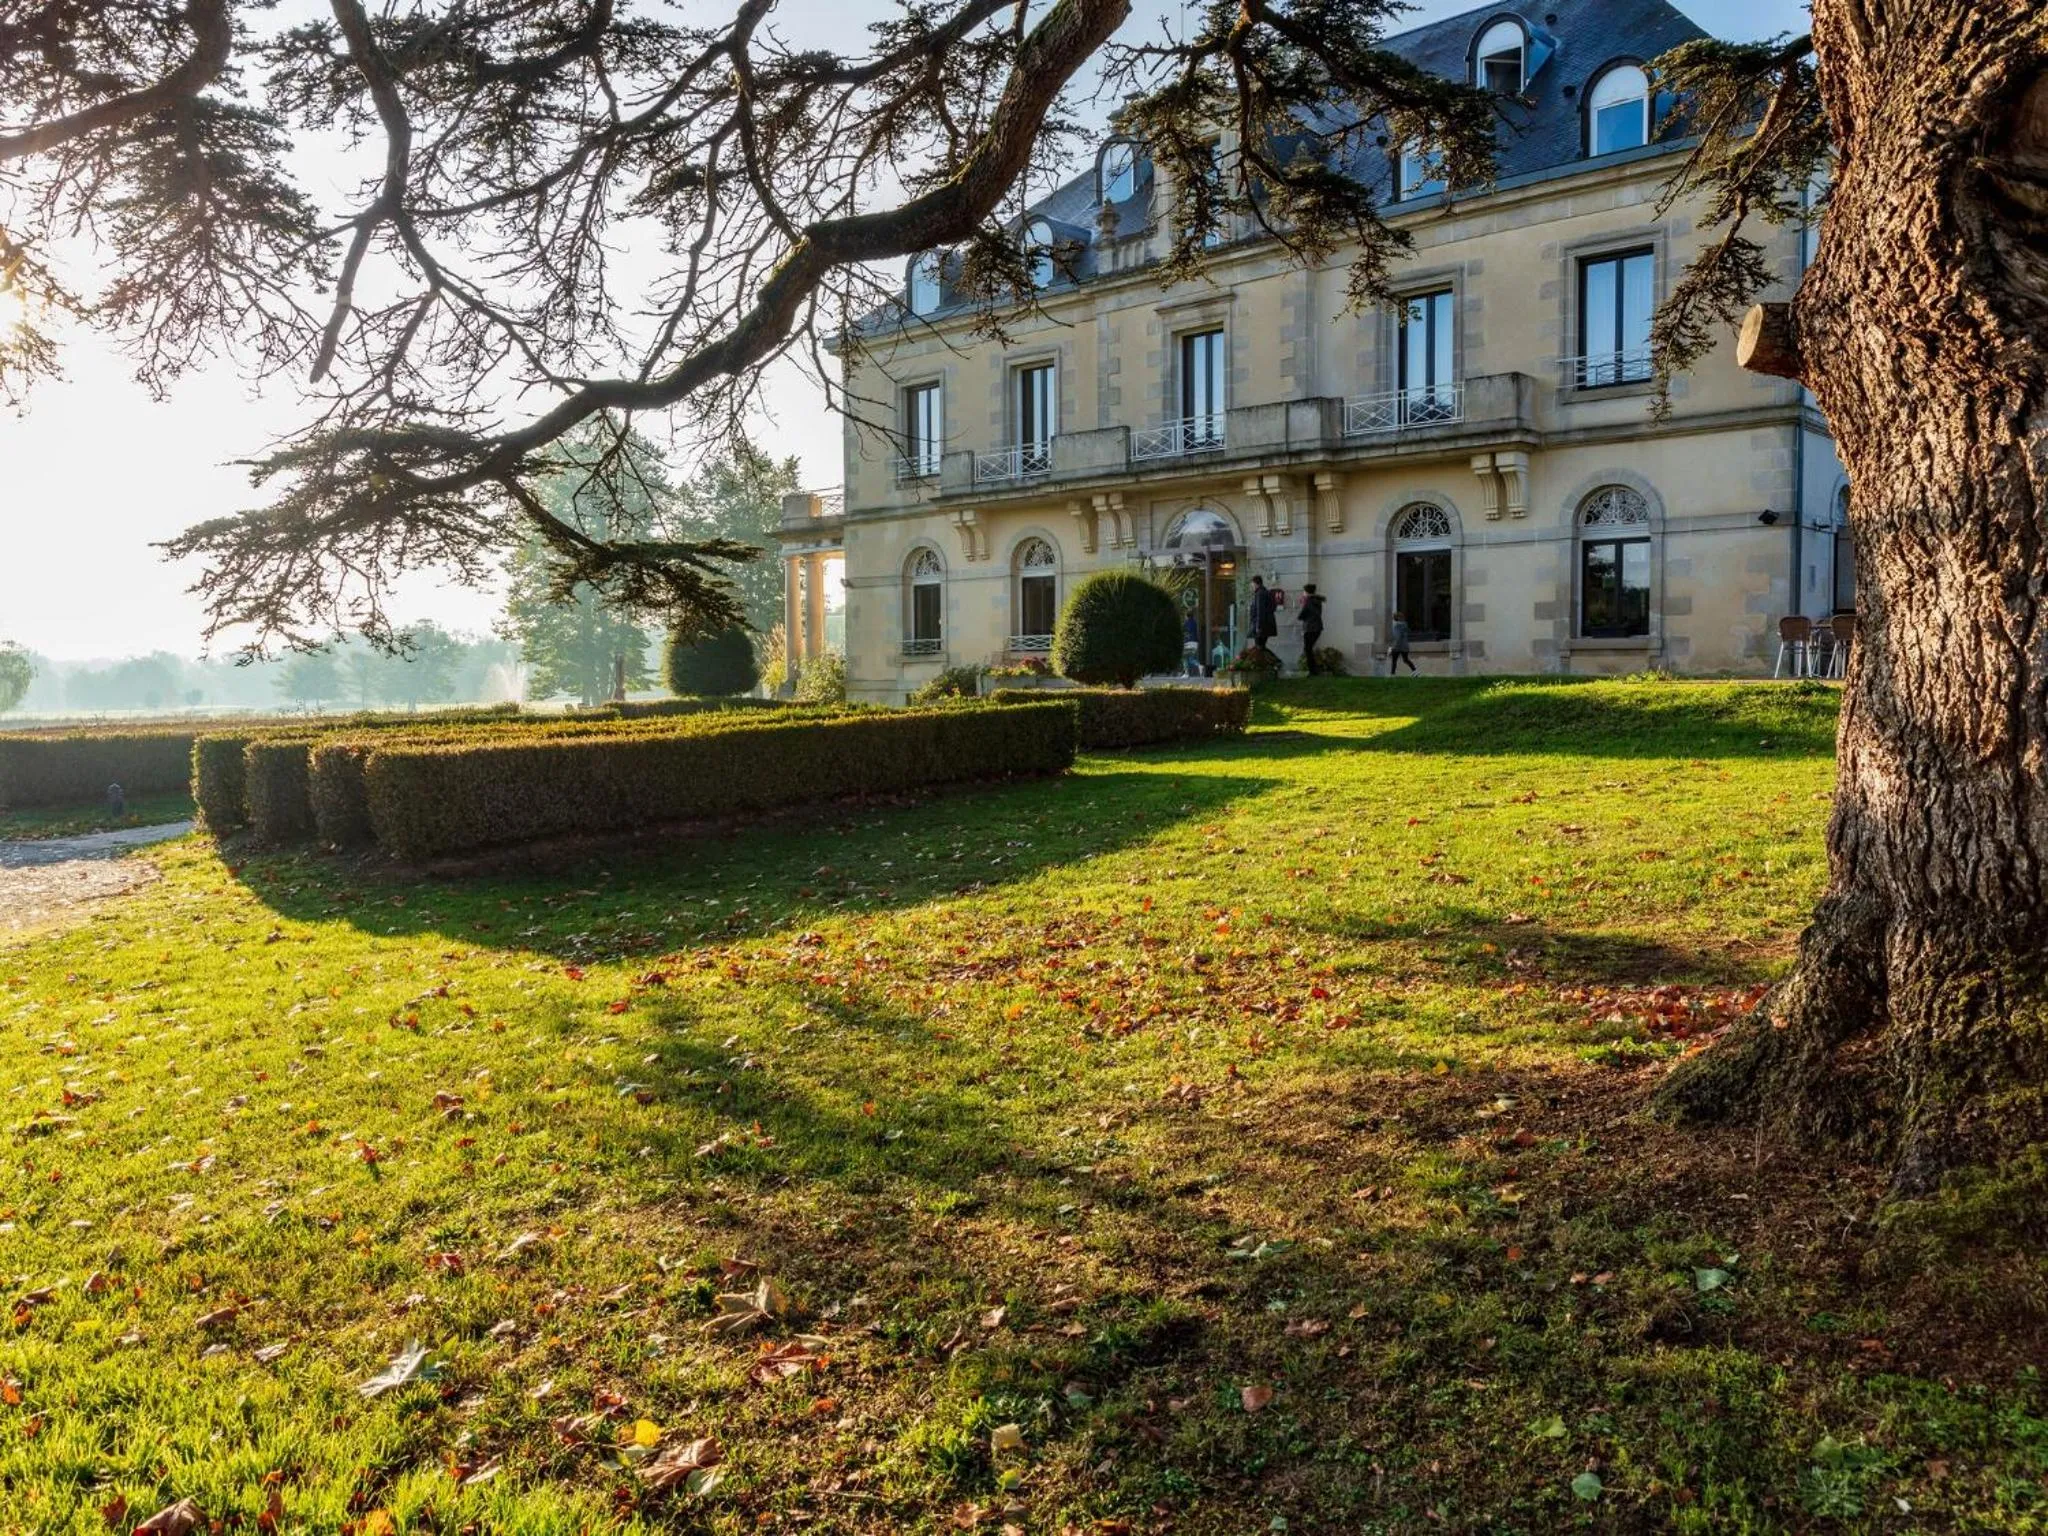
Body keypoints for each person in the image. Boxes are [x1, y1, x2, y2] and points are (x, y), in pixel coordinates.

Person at [1298, 582, 1326, 674]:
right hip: (1317, 627)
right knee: (1308, 648)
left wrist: (1302, 609)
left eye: (1304, 592)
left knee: (1307, 649)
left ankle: (1312, 670)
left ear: (1307, 592)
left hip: (1310, 628)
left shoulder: (1309, 601)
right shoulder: (1316, 600)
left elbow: (1302, 614)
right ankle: (1313, 669)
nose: (1303, 593)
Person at [1249, 575, 1278, 654]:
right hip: (1266, 625)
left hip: (1261, 626)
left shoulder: (1259, 594)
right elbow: (1273, 607)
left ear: (1255, 583)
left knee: (1259, 648)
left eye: (1252, 584)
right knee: (1261, 647)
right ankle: (1270, 663)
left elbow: (1260, 611)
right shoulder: (1266, 592)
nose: (1252, 586)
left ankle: (1268, 663)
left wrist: (1258, 627)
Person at [1182, 612, 1202, 677]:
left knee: (1184, 657)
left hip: (1188, 643)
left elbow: (1184, 631)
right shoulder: (1194, 623)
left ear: (1187, 616)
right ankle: (1200, 666)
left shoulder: (1187, 623)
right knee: (1191, 659)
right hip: (1195, 643)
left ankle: (1186, 673)